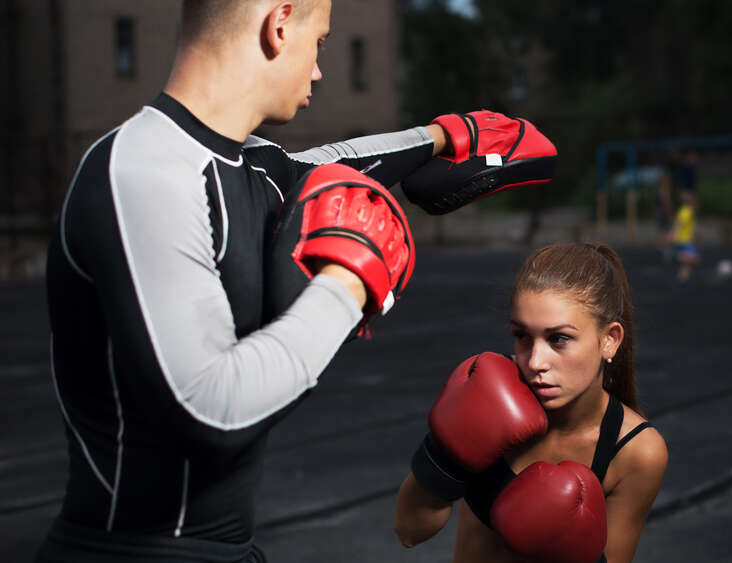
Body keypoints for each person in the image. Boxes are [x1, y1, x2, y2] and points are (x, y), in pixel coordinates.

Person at [38, 1, 554, 561]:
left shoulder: (244, 164)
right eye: (321, 42)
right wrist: (349, 285)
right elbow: (206, 408)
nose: (318, 70)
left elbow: (333, 164)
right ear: (279, 24)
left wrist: (448, 135)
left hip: (224, 550)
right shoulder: (143, 170)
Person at [395, 243, 669, 563]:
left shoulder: (636, 452)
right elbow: (409, 531)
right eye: (522, 336)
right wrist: (445, 455)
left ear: (610, 340)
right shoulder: (488, 398)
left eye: (559, 339)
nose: (536, 361)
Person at [668, 189, 700, 282]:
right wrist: (674, 235)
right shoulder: (687, 212)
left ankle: (683, 276)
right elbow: (679, 224)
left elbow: (687, 225)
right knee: (695, 258)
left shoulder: (685, 211)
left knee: (687, 265)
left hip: (686, 239)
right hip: (684, 240)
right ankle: (678, 257)